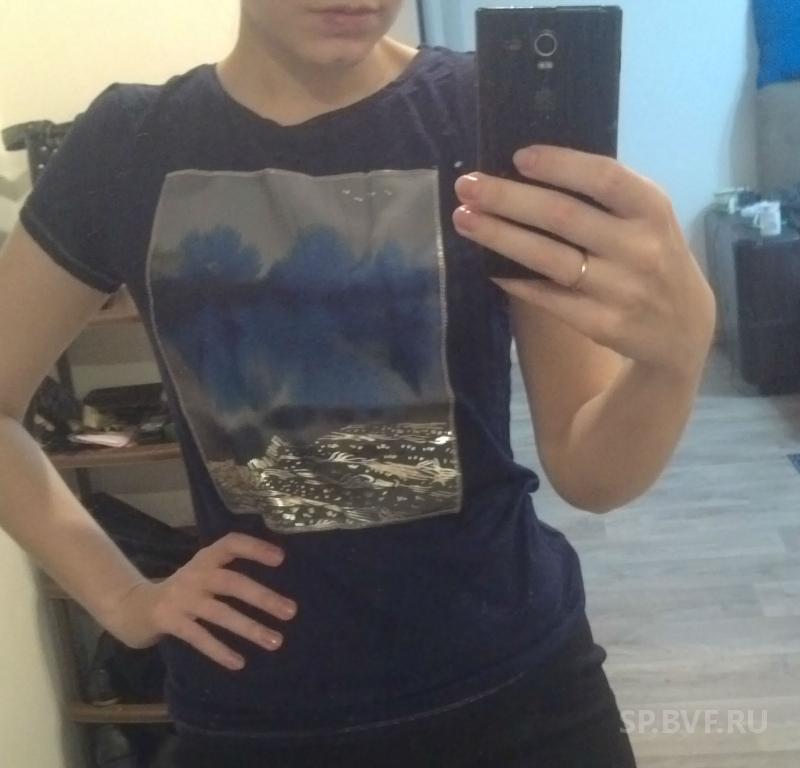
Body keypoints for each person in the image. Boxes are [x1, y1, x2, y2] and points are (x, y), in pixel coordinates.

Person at [0, 1, 716, 766]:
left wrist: (674, 358)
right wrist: (123, 600)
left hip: (522, 693)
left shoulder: (485, 114)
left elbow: (592, 474)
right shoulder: (130, 144)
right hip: (259, 716)